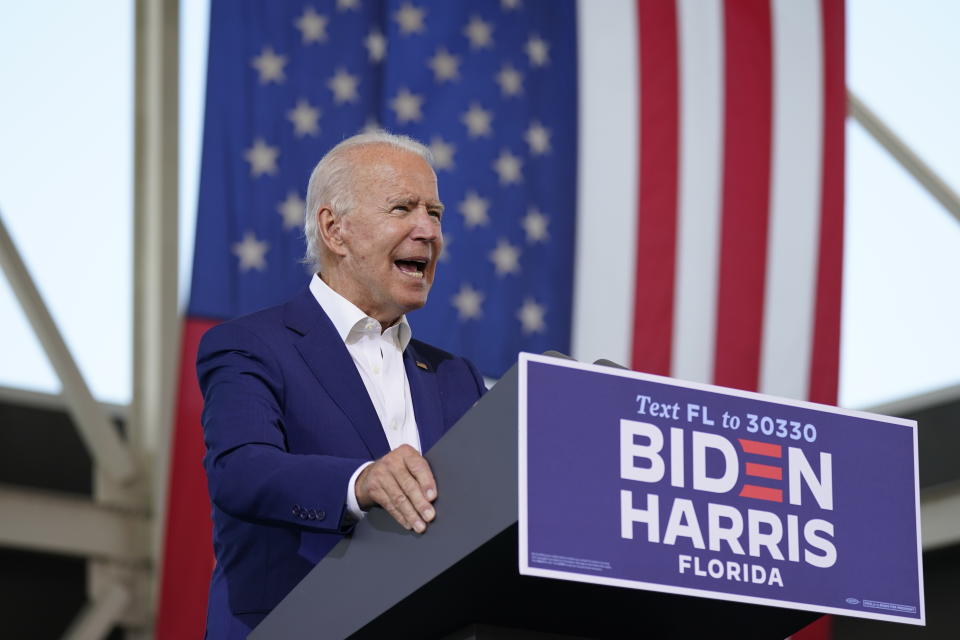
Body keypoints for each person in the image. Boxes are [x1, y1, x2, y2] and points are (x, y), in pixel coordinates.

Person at [197, 131, 487, 638]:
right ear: (335, 230)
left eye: (435, 213)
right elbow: (239, 470)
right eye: (402, 208)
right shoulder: (251, 346)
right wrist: (359, 483)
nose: (428, 231)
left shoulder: (456, 378)